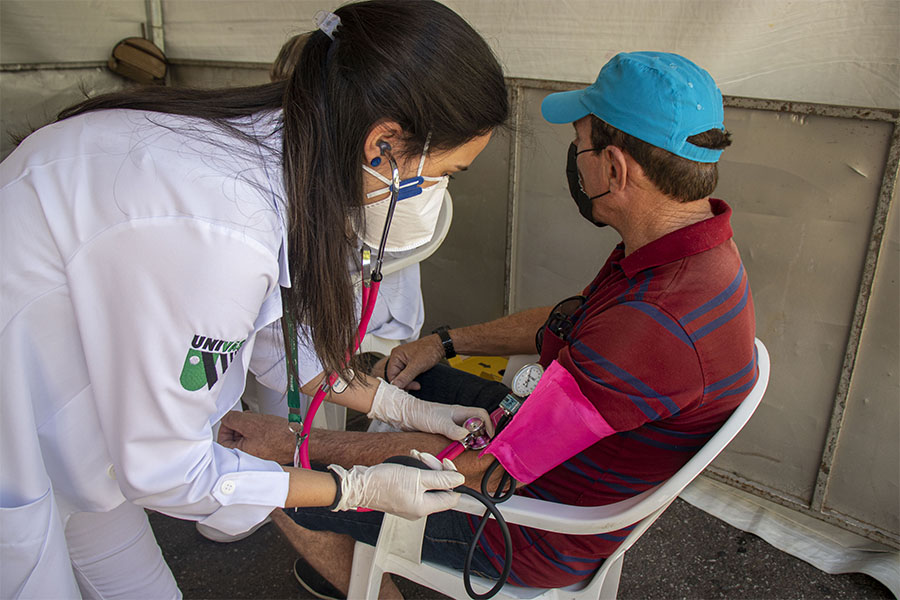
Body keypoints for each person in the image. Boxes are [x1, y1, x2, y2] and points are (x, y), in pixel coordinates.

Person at [0, 1, 509, 597]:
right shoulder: (221, 225)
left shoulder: (274, 151)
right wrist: (355, 488)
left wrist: (412, 410)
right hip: (21, 444)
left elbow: (285, 348)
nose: (442, 190)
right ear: (385, 146)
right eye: (448, 171)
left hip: (78, 424)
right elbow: (174, 472)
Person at [220, 50, 758, 597]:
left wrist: (294, 444)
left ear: (615, 168)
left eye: (580, 145)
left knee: (268, 480)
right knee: (406, 377)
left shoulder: (654, 324)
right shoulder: (689, 254)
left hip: (528, 526)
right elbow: (569, 319)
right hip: (549, 457)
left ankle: (359, 572)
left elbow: (485, 471)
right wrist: (444, 343)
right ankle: (351, 546)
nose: (575, 159)